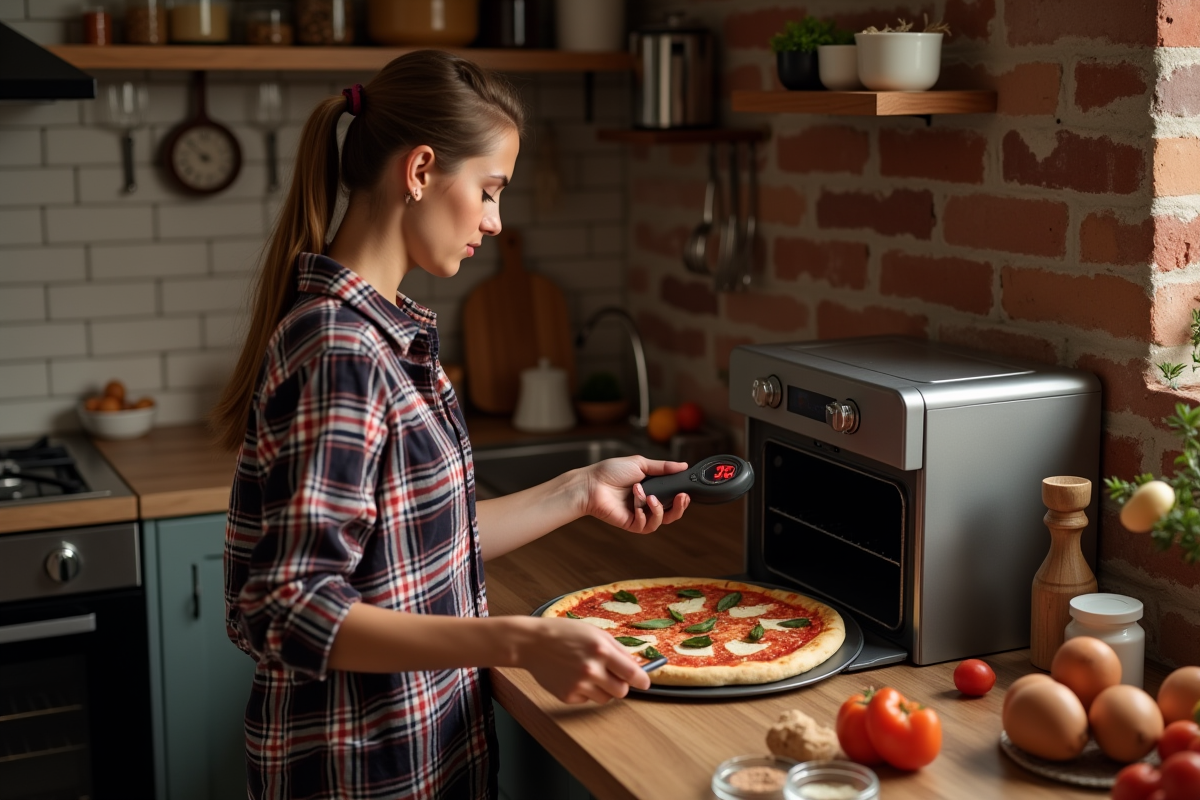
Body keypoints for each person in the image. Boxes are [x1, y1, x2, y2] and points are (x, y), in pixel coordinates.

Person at [211, 51, 693, 800]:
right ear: (421, 170)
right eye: (490, 190)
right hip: (360, 775)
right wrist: (519, 641)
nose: (497, 222)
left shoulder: (387, 336)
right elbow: (290, 607)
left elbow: (414, 547)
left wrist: (577, 489)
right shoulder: (340, 347)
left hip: (421, 759)